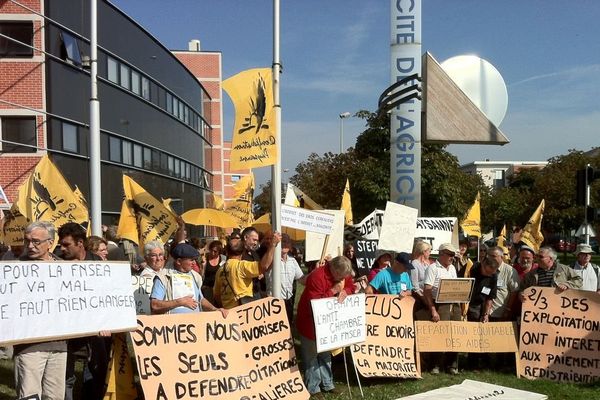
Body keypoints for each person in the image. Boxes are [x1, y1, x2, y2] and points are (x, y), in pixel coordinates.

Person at [13, 221, 66, 400]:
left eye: (36, 241)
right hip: (29, 345)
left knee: (55, 396)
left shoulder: (65, 268)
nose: (30, 246)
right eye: (27, 240)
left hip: (59, 345)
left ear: (50, 243)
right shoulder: (14, 269)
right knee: (29, 395)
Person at [58, 222, 109, 400]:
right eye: (61, 244)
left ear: (80, 243)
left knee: (98, 370)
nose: (62, 248)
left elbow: (108, 295)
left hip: (95, 330)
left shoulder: (98, 263)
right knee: (65, 376)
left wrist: (108, 321)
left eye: (66, 244)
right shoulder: (55, 264)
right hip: (66, 330)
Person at [295, 256, 353, 399]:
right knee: (312, 356)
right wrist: (333, 290)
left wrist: (346, 291)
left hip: (329, 324)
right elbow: (315, 303)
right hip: (310, 323)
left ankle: (328, 384)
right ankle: (313, 388)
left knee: (326, 353)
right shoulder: (317, 276)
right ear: (333, 269)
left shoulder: (341, 273)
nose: (342, 278)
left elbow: (350, 285)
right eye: (340, 276)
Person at [418, 243, 461, 375]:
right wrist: (433, 310)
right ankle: (435, 365)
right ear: (442, 254)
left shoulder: (453, 268)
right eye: (450, 255)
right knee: (440, 335)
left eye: (453, 255)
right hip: (440, 305)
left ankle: (452, 365)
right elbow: (427, 291)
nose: (452, 258)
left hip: (454, 305)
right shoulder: (432, 268)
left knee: (455, 335)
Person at [150, 243, 226, 316]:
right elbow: (154, 305)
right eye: (191, 260)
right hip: (173, 327)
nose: (194, 263)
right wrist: (179, 302)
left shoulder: (195, 276)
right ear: (179, 261)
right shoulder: (164, 277)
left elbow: (200, 300)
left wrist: (215, 309)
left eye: (195, 260)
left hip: (194, 325)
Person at [213, 232, 281, 309]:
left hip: (228, 313)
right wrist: (273, 245)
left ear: (227, 252)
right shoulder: (242, 266)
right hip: (243, 312)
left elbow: (216, 295)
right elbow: (264, 266)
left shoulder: (220, 270)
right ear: (242, 252)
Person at [465, 255, 499, 370]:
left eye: (492, 273)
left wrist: (486, 314)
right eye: (487, 273)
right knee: (470, 333)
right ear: (483, 266)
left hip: (481, 303)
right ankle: (470, 362)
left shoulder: (493, 275)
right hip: (467, 303)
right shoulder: (471, 268)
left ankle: (481, 362)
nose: (489, 275)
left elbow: (490, 297)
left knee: (481, 333)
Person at [265, 233, 306, 324]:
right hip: (273, 302)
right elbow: (265, 266)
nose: (284, 245)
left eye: (287, 242)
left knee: (287, 328)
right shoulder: (271, 259)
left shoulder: (293, 261)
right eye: (282, 242)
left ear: (290, 245)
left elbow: (302, 279)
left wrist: (317, 270)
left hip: (288, 301)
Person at [487, 246, 520, 322]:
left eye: (493, 256)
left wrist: (508, 309)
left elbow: (514, 292)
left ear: (501, 257)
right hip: (485, 313)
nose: (490, 258)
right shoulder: (485, 268)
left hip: (500, 314)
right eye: (489, 255)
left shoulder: (510, 271)